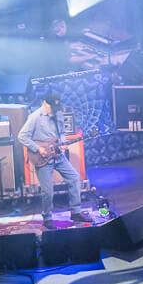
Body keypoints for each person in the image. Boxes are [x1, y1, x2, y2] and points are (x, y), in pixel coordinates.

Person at [21, 92, 85, 225]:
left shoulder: (58, 114)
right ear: (45, 103)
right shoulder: (35, 117)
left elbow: (61, 133)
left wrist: (63, 142)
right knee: (48, 192)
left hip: (58, 155)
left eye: (56, 108)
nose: (54, 111)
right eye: (52, 108)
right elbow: (22, 136)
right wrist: (38, 148)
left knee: (74, 178)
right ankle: (47, 218)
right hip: (43, 158)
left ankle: (76, 212)